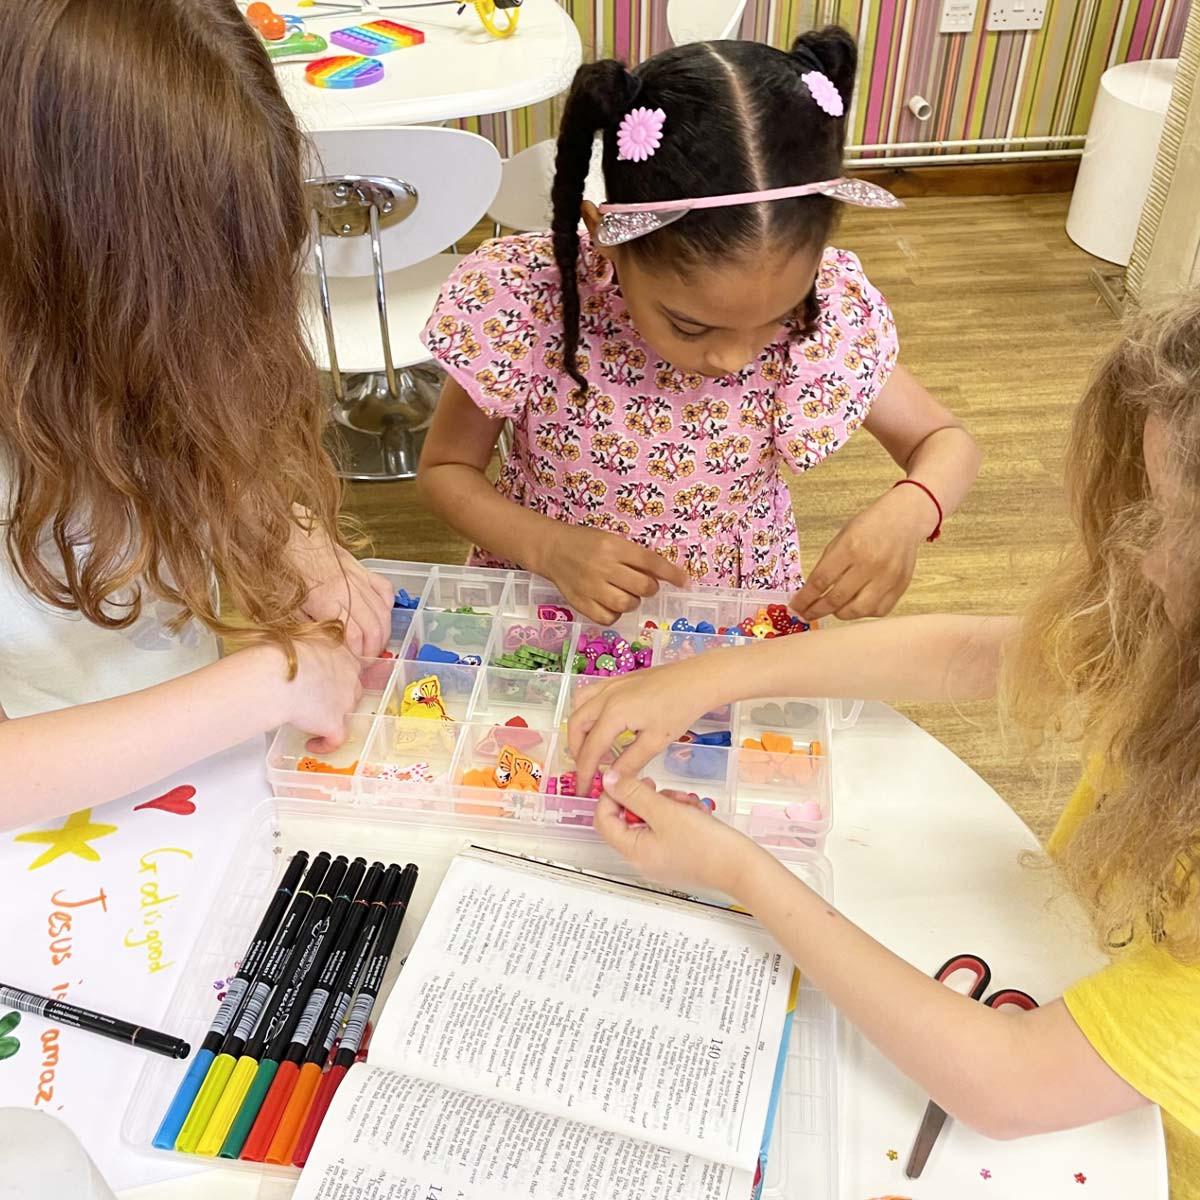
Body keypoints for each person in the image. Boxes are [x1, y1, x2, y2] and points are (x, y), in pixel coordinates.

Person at [570, 296, 1200, 1195]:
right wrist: (708, 678)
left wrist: (745, 872)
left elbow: (1009, 1083)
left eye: (1172, 524)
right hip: (1081, 992)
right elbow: (973, 653)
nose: (1138, 557)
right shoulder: (1172, 629)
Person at [417, 29, 979, 625]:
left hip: (728, 611)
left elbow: (944, 442)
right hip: (551, 600)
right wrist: (546, 545)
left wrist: (911, 511)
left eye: (778, 316)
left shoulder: (825, 315)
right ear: (610, 236)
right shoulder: (535, 304)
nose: (734, 357)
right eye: (689, 326)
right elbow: (446, 471)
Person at [0, 0, 392, 829]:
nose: (213, 336)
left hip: (180, 790)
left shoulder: (129, 345)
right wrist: (261, 684)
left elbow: (203, 444)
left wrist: (299, 539)